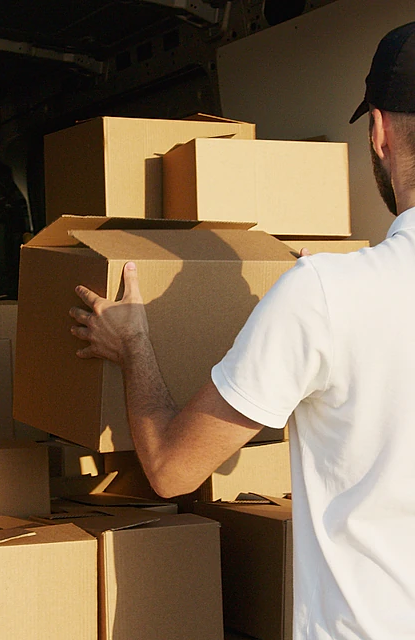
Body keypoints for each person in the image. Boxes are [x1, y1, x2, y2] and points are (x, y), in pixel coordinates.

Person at [69, 21, 415, 640]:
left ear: (380, 130)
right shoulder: (329, 294)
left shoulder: (327, 294)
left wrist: (133, 347)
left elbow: (174, 470)